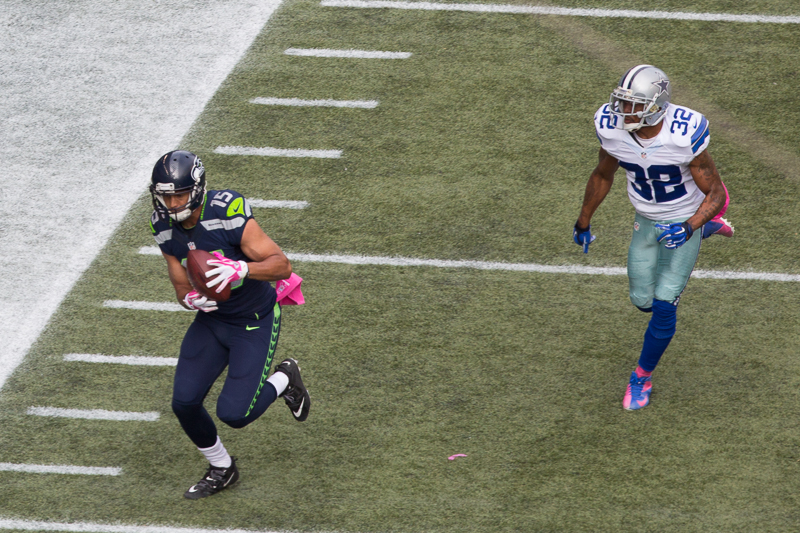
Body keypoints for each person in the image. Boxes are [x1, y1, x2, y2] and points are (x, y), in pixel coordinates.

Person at [149, 150, 311, 498]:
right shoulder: (161, 225)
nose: (171, 202)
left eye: (178, 194)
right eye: (165, 195)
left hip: (253, 319)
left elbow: (281, 265)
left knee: (236, 414)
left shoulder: (226, 211)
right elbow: (180, 285)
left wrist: (242, 269)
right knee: (185, 402)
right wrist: (191, 299)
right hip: (212, 320)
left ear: (196, 189)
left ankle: (285, 378)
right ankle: (222, 467)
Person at [573, 65, 733, 411]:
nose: (624, 112)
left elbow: (716, 194)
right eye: (622, 102)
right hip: (645, 218)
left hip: (683, 218)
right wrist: (583, 220)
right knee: (641, 301)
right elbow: (603, 173)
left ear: (657, 104)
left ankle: (641, 376)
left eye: (633, 105)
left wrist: (690, 225)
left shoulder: (682, 134)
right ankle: (707, 228)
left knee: (663, 303)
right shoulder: (612, 129)